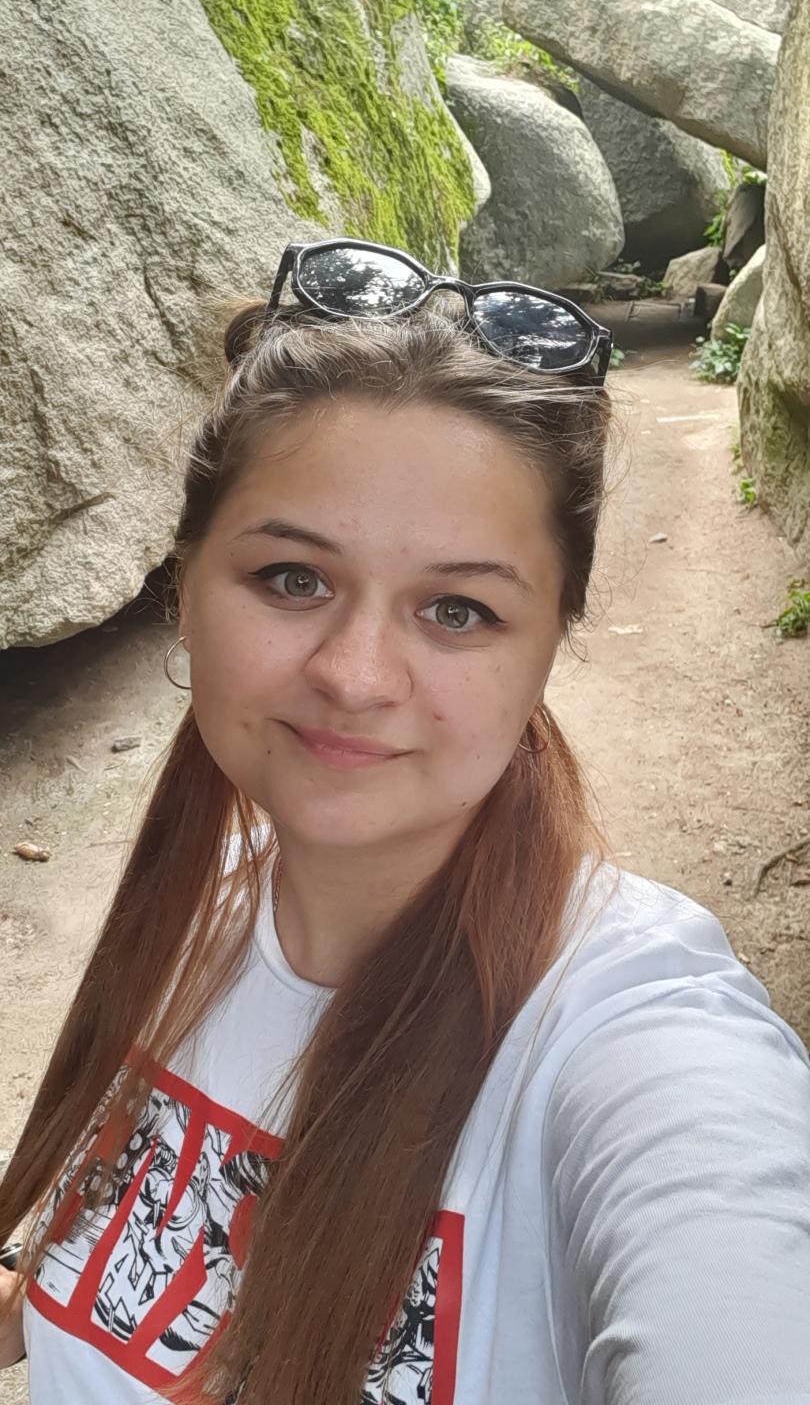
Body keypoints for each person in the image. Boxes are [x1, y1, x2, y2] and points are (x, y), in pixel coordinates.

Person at [1, 238, 808, 1405]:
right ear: (186, 580)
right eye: (293, 579)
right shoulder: (206, 904)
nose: (357, 674)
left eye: (458, 609)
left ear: (552, 642)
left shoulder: (634, 1031)